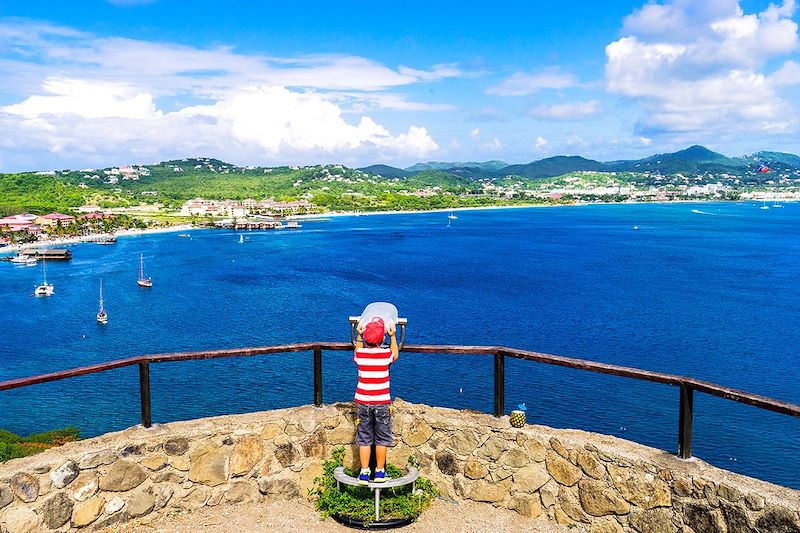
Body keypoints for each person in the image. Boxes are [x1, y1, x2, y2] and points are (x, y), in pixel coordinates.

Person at [353, 317, 399, 485]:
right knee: (382, 437)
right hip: (381, 403)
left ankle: (364, 473)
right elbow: (395, 353)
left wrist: (358, 335)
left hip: (363, 403)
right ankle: (380, 472)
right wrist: (393, 336)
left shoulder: (360, 354)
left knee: (364, 437)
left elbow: (357, 348)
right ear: (383, 339)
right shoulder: (385, 354)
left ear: (365, 337)